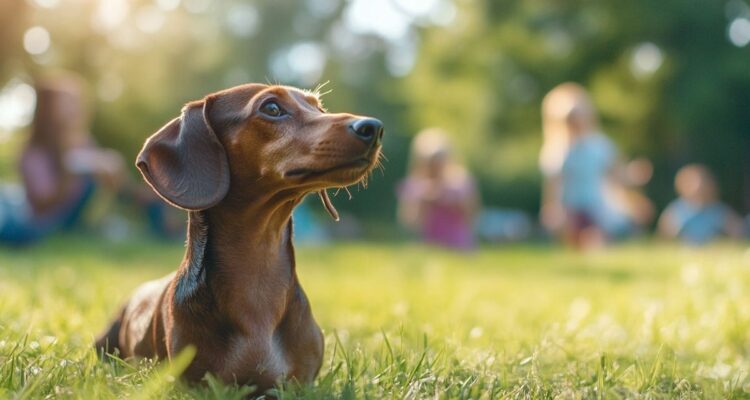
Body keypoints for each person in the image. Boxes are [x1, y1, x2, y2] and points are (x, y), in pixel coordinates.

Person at [0, 74, 124, 245]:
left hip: (70, 224)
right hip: (37, 224)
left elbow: (109, 188)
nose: (75, 108)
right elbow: (42, 203)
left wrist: (109, 173)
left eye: (76, 102)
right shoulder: (34, 152)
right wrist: (70, 171)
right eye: (67, 103)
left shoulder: (83, 142)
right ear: (49, 110)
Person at [539, 83, 653, 249]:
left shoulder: (600, 146)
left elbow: (616, 177)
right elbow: (554, 184)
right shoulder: (556, 150)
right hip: (571, 209)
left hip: (598, 207)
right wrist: (552, 208)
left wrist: (632, 180)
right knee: (577, 235)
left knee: (596, 235)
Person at [397, 128, 480, 250]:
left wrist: (450, 200)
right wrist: (423, 202)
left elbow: (472, 214)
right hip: (428, 244)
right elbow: (409, 221)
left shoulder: (460, 182)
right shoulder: (416, 186)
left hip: (458, 245)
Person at [658, 164, 744, 244]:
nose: (697, 188)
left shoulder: (716, 210)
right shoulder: (677, 210)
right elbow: (665, 235)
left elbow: (737, 229)